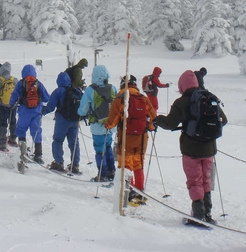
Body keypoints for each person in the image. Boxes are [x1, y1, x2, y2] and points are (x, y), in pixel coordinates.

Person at [154, 70, 227, 226]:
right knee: (205, 179)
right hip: (209, 148)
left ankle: (198, 215)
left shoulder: (181, 102)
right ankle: (207, 212)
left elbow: (169, 123)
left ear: (182, 86)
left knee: (194, 181)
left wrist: (157, 119)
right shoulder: (209, 97)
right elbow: (224, 120)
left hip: (191, 149)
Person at [104, 75, 156, 205]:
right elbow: (153, 118)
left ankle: (128, 191)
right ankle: (140, 191)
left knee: (125, 166)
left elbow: (112, 120)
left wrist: (108, 126)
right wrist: (150, 126)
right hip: (141, 138)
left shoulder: (121, 98)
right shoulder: (143, 98)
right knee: (138, 164)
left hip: (126, 137)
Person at [78, 65, 117, 182]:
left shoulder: (91, 90)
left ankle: (102, 173)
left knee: (100, 149)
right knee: (108, 146)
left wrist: (79, 112)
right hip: (110, 125)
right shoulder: (112, 88)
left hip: (97, 126)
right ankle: (112, 171)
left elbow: (83, 108)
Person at [43, 72, 83, 173]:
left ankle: (59, 162)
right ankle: (75, 164)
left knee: (58, 140)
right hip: (75, 120)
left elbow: (50, 107)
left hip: (62, 120)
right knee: (74, 142)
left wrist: (42, 111)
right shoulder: (76, 90)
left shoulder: (58, 91)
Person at [9, 64, 50, 164]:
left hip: (24, 111)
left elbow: (14, 97)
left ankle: (23, 152)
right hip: (37, 111)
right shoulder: (38, 83)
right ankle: (38, 154)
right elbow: (46, 98)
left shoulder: (20, 83)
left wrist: (11, 104)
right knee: (36, 131)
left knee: (21, 129)